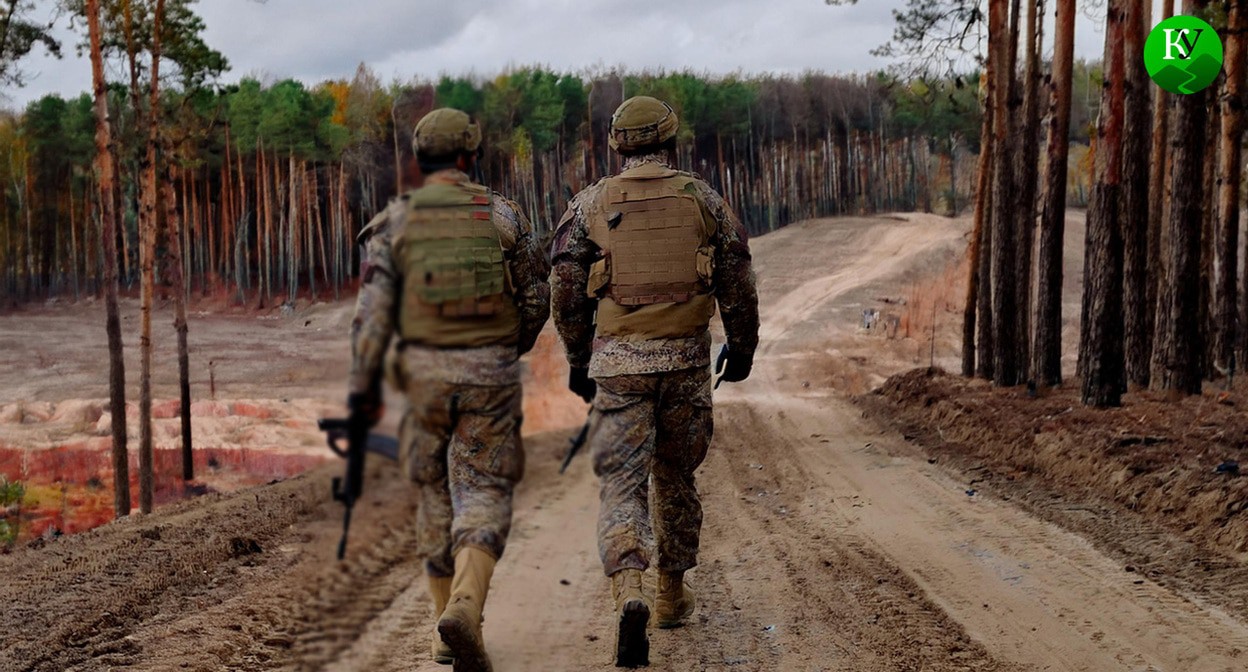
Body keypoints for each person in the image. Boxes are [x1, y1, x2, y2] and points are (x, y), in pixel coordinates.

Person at [549, 95, 760, 667]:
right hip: (687, 365)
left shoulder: (591, 203)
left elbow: (566, 286)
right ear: (672, 140)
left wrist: (576, 356)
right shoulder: (704, 199)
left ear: (617, 144)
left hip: (619, 368)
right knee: (676, 475)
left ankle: (630, 592)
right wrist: (741, 347)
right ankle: (670, 595)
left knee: (623, 483)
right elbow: (738, 276)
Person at [348, 107, 550, 672]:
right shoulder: (502, 215)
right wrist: (510, 348)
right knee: (481, 492)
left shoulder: (395, 223)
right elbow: (537, 295)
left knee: (434, 495)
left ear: (421, 158)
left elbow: (369, 319)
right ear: (469, 156)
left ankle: (444, 631)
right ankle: (465, 605)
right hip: (488, 375)